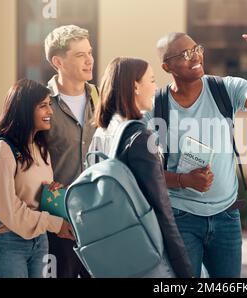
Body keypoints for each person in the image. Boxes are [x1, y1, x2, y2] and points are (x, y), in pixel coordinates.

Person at [142, 30, 247, 278]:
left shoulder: (225, 88)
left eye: (197, 49)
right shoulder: (155, 106)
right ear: (167, 67)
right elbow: (145, 171)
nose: (195, 56)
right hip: (180, 218)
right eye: (185, 54)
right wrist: (183, 181)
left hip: (227, 216)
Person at [0, 25, 97, 278]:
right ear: (57, 61)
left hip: (92, 216)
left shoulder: (99, 98)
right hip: (52, 221)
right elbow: (8, 144)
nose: (90, 60)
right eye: (80, 54)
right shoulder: (38, 103)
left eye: (90, 52)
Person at [88, 57, 193, 278]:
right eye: (152, 80)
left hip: (111, 248)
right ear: (135, 86)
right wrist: (185, 270)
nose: (156, 87)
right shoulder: (139, 137)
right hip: (144, 255)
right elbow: (162, 210)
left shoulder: (102, 132)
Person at [0, 79, 74, 278]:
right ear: (23, 109)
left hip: (40, 240)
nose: (50, 111)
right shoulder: (3, 150)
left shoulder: (41, 149)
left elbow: (33, 198)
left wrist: (51, 194)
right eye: (43, 106)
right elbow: (9, 211)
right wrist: (55, 223)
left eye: (49, 104)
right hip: (8, 243)